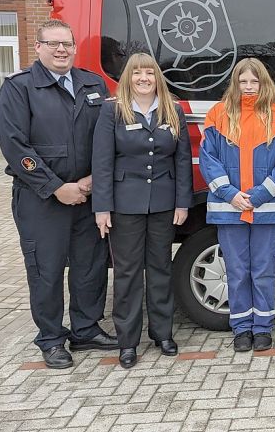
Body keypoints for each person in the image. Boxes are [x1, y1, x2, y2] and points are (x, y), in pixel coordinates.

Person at [0, 19, 118, 369]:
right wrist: (55, 188)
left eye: (67, 43)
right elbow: (16, 147)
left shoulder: (92, 84)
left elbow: (106, 136)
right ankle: (50, 338)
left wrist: (94, 179)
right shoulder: (19, 88)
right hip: (41, 199)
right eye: (53, 44)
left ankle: (85, 328)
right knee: (46, 270)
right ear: (38, 47)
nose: (61, 50)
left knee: (89, 266)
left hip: (88, 193)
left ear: (75, 47)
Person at [91, 53, 192, 368]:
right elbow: (102, 162)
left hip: (163, 205)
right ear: (128, 78)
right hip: (125, 206)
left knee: (161, 269)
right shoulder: (113, 111)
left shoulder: (172, 110)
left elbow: (182, 160)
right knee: (128, 274)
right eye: (137, 74)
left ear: (157, 77)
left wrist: (182, 202)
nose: (144, 78)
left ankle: (162, 334)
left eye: (149, 73)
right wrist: (102, 208)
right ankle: (128, 341)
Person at [198, 58, 275, 353]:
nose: (249, 87)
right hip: (230, 208)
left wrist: (261, 194)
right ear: (235, 83)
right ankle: (241, 328)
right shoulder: (218, 114)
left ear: (264, 83)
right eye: (243, 82)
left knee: (264, 270)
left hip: (268, 207)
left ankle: (263, 327)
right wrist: (230, 193)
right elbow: (208, 158)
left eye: (255, 81)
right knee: (237, 271)